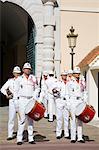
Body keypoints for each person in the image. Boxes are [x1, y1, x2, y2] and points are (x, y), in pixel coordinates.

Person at [14, 62, 38, 145]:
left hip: (30, 100)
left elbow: (37, 89)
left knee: (30, 120)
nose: (27, 70)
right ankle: (19, 139)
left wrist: (35, 97)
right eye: (26, 69)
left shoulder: (33, 78)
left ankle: (31, 138)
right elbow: (15, 92)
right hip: (22, 100)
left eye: (29, 69)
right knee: (22, 120)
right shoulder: (19, 79)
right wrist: (16, 103)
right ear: (23, 70)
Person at [66, 66, 87, 143]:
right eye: (76, 73)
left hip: (80, 101)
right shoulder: (70, 82)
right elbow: (67, 94)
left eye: (78, 73)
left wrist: (85, 101)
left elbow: (85, 92)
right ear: (73, 74)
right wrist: (68, 104)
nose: (78, 75)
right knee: (73, 119)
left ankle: (80, 137)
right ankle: (73, 137)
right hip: (73, 101)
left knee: (80, 120)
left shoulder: (82, 81)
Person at [0, 66, 21, 140]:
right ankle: (10, 134)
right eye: (16, 73)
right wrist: (7, 94)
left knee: (20, 119)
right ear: (13, 73)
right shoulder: (10, 81)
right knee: (11, 118)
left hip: (20, 101)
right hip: (12, 101)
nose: (17, 74)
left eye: (18, 73)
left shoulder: (22, 80)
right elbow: (2, 89)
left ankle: (19, 134)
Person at [54, 71, 70, 139]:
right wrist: (55, 92)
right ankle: (58, 133)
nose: (64, 76)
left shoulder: (69, 83)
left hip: (66, 101)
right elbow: (53, 91)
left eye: (65, 75)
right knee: (59, 118)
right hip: (59, 100)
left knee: (66, 118)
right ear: (61, 76)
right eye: (63, 75)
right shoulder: (58, 83)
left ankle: (66, 133)